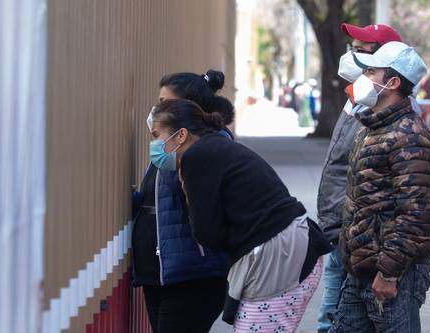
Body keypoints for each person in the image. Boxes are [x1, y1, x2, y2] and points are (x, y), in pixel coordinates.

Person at [149, 98, 332, 332]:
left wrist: (188, 194)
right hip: (292, 248)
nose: (153, 144)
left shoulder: (196, 157)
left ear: (181, 135)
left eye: (156, 135)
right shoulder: (215, 146)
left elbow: (207, 233)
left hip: (278, 256)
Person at [332, 41, 430, 332]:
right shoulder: (371, 127)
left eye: (370, 71)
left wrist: (389, 273)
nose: (362, 78)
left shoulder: (409, 137)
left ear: (392, 83)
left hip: (392, 275)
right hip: (360, 271)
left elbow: (416, 215)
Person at [131, 70, 234, 333]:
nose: (157, 109)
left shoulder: (205, 148)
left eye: (165, 103)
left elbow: (207, 211)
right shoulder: (169, 145)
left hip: (192, 275)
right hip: (162, 271)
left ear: (187, 108)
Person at [317, 23, 403, 333]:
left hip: (359, 238)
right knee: (332, 318)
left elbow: (410, 204)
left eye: (361, 51)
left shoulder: (391, 115)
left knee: (334, 320)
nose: (351, 57)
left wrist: (389, 269)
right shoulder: (357, 98)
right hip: (341, 232)